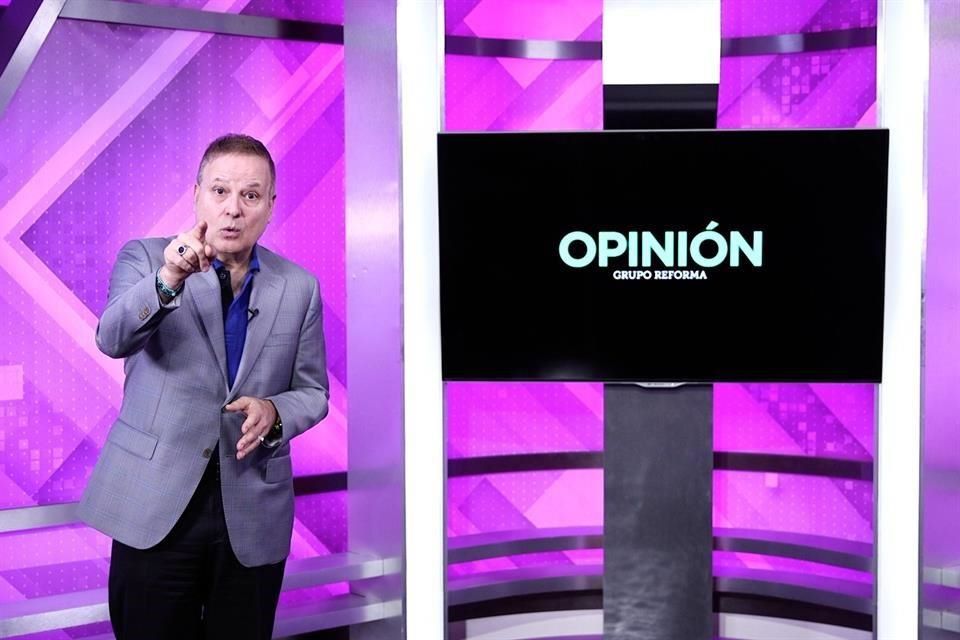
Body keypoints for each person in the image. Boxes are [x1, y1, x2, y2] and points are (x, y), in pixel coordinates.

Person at [78, 134, 329, 639]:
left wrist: (275, 412)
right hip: (156, 504)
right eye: (220, 191)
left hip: (251, 508)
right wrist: (169, 277)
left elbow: (313, 392)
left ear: (270, 205)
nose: (233, 209)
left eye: (250, 195)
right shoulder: (146, 258)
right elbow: (112, 338)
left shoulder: (299, 286)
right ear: (196, 195)